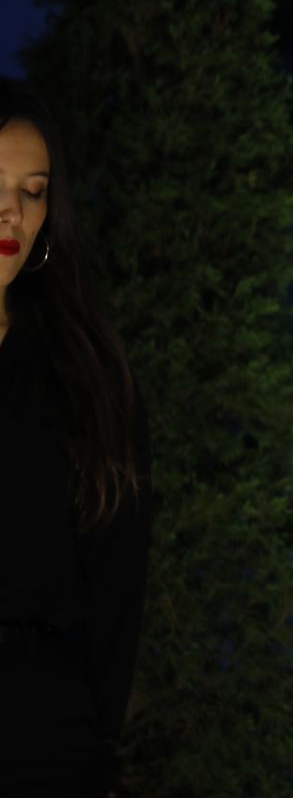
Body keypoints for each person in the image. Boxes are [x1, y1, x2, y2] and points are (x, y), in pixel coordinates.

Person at [0, 78, 151, 795]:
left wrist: (93, 735)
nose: (12, 212)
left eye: (33, 190)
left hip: (45, 736)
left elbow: (117, 576)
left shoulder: (84, 368)